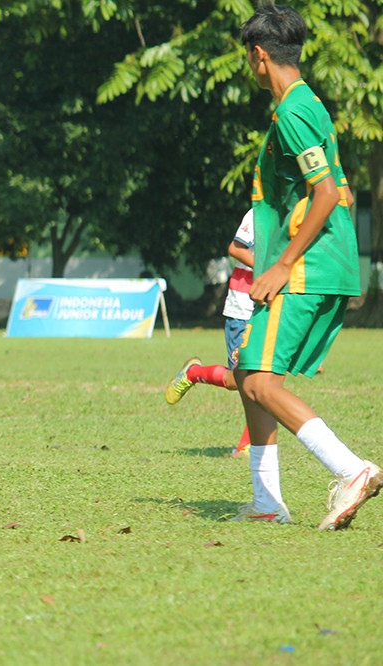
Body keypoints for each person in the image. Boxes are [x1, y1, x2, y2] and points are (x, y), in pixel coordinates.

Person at [232, 5, 380, 529]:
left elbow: (324, 193)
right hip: (319, 262)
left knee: (261, 382)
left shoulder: (293, 112)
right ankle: (266, 502)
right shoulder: (306, 102)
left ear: (259, 56)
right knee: (248, 370)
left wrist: (281, 264)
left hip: (306, 265)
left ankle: (352, 468)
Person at [165, 209, 256, 457]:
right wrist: (270, 270)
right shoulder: (257, 213)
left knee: (263, 378)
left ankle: (249, 445)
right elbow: (236, 249)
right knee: (240, 380)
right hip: (244, 308)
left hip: (270, 308)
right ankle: (193, 373)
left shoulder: (297, 215)